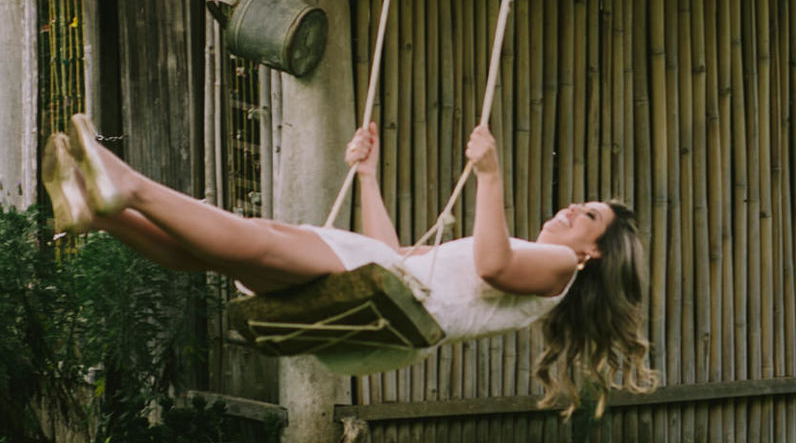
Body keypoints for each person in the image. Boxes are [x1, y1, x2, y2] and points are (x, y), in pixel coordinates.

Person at [40, 114, 655, 412]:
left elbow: (492, 264)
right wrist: (368, 176)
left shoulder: (558, 267)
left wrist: (489, 178)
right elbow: (393, 257)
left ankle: (128, 187)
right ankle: (99, 213)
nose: (574, 209)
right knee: (214, 251)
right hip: (391, 299)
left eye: (589, 216)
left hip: (402, 305)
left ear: (594, 251)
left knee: (256, 235)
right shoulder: (541, 261)